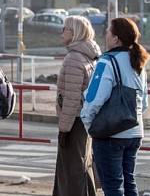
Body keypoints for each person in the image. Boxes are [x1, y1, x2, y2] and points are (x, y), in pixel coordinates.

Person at [81, 18, 149, 196]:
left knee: (112, 187)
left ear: (116, 38)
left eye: (108, 31)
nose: (105, 34)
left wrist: (89, 124)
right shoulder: (138, 62)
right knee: (129, 183)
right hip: (135, 132)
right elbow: (143, 101)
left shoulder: (107, 62)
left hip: (110, 134)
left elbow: (94, 98)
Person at [53, 16, 100, 196]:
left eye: (65, 28)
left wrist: (64, 129)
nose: (62, 32)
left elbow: (71, 99)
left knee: (71, 171)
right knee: (83, 165)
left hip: (74, 122)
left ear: (75, 32)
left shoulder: (73, 58)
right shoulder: (90, 55)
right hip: (85, 120)